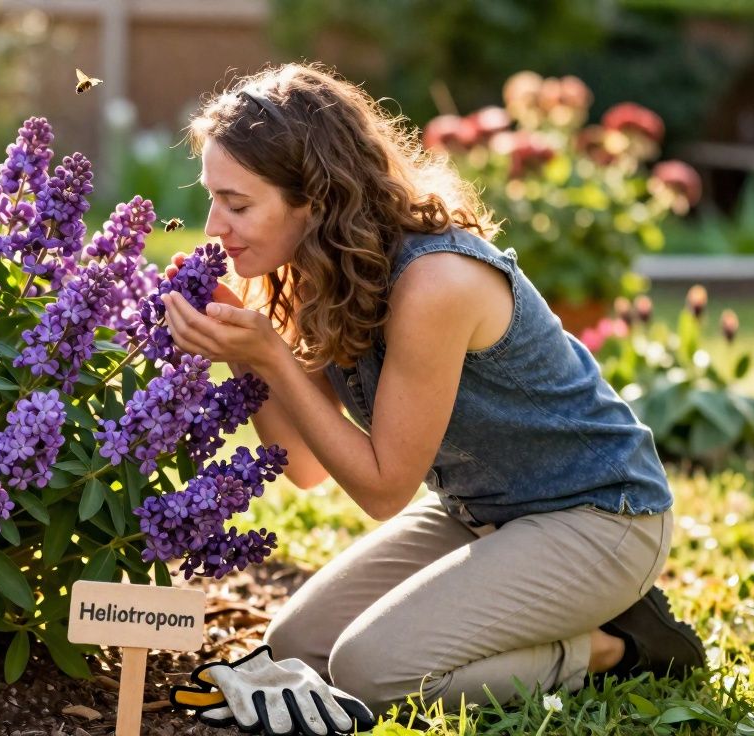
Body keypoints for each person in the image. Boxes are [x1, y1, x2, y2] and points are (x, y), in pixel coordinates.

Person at [160, 62, 704, 717]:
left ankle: (616, 644)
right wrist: (245, 354)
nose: (214, 227)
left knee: (368, 672)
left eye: (238, 203)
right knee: (296, 645)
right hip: (483, 515)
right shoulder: (310, 272)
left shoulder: (435, 282)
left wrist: (269, 355)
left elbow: (385, 489)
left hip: (602, 516)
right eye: (213, 198)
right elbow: (302, 468)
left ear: (315, 199)